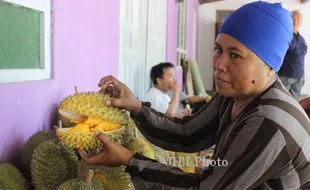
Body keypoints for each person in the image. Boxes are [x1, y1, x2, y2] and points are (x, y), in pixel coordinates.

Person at [80, 1, 310, 189]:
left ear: (270, 67)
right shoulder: (234, 94)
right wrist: (136, 107)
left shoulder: (268, 122)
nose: (219, 64)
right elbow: (187, 133)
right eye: (219, 49)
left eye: (236, 56)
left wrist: (128, 159)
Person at [278, 10, 308, 100]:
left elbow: (301, 58)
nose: (295, 21)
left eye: (298, 19)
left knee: (294, 102)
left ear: (301, 22)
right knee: (281, 100)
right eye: (293, 19)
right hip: (285, 76)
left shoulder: (302, 39)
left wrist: (303, 75)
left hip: (298, 77)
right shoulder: (284, 36)